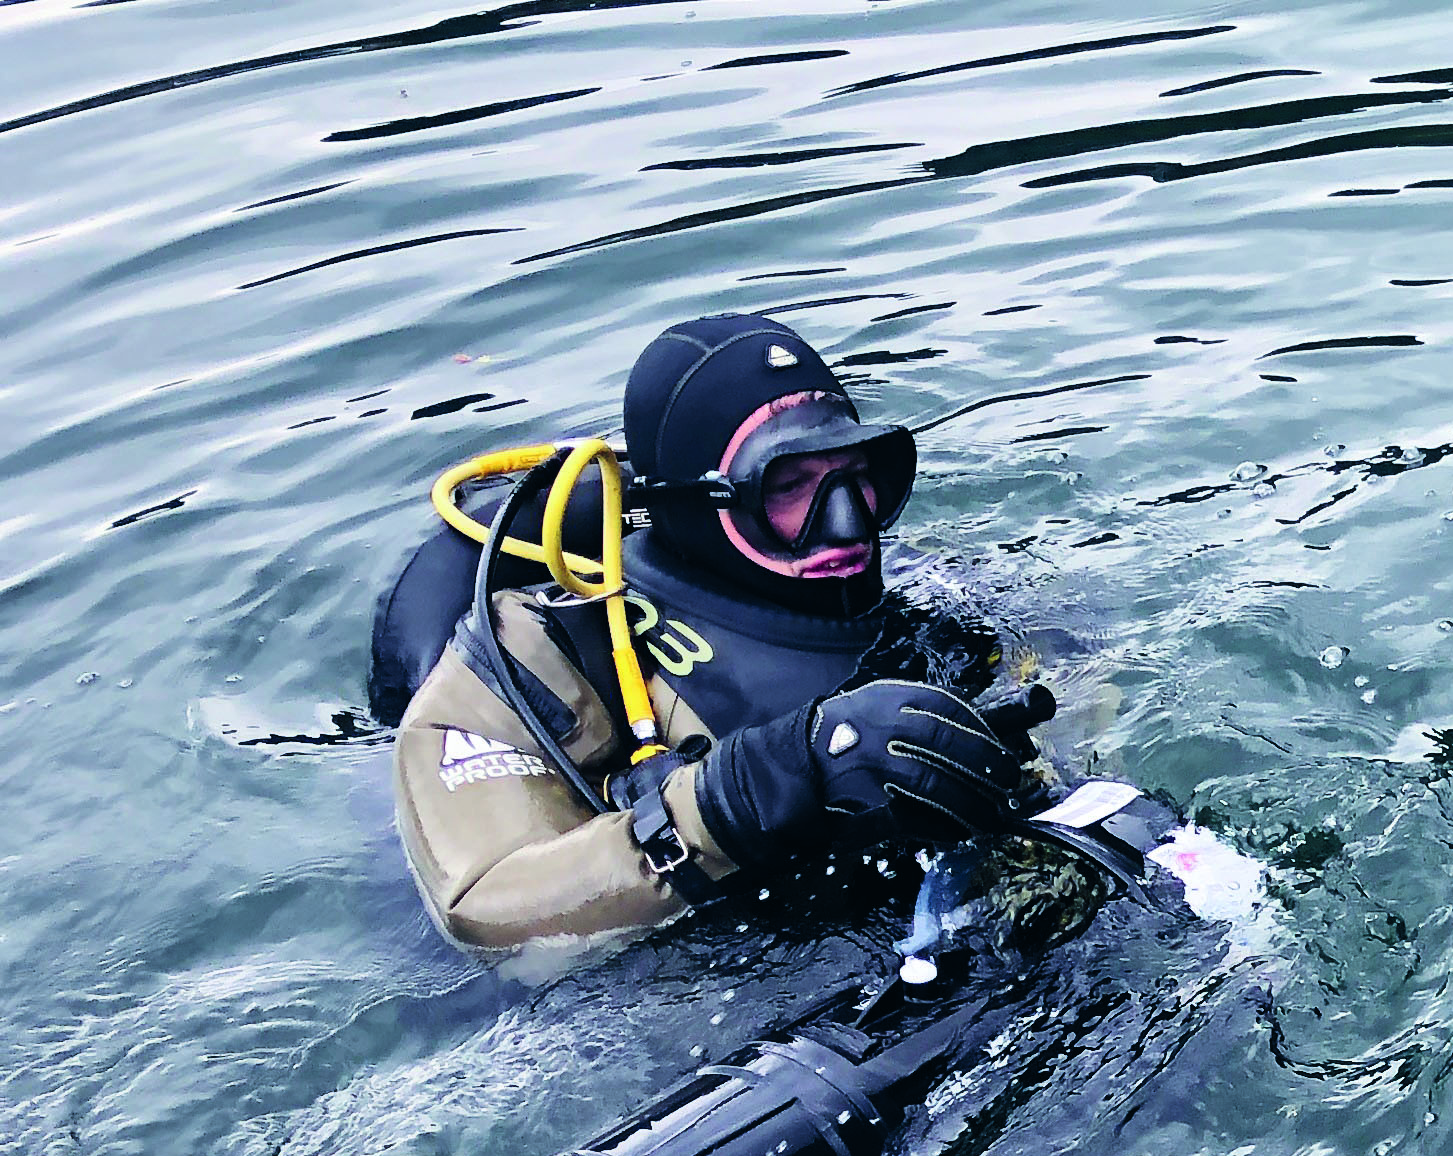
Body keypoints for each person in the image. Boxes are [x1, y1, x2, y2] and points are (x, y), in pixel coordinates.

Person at [375, 311, 1024, 953]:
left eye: (857, 475)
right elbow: (483, 906)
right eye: (790, 486)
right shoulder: (542, 651)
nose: (848, 521)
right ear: (703, 503)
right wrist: (757, 785)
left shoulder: (921, 606)